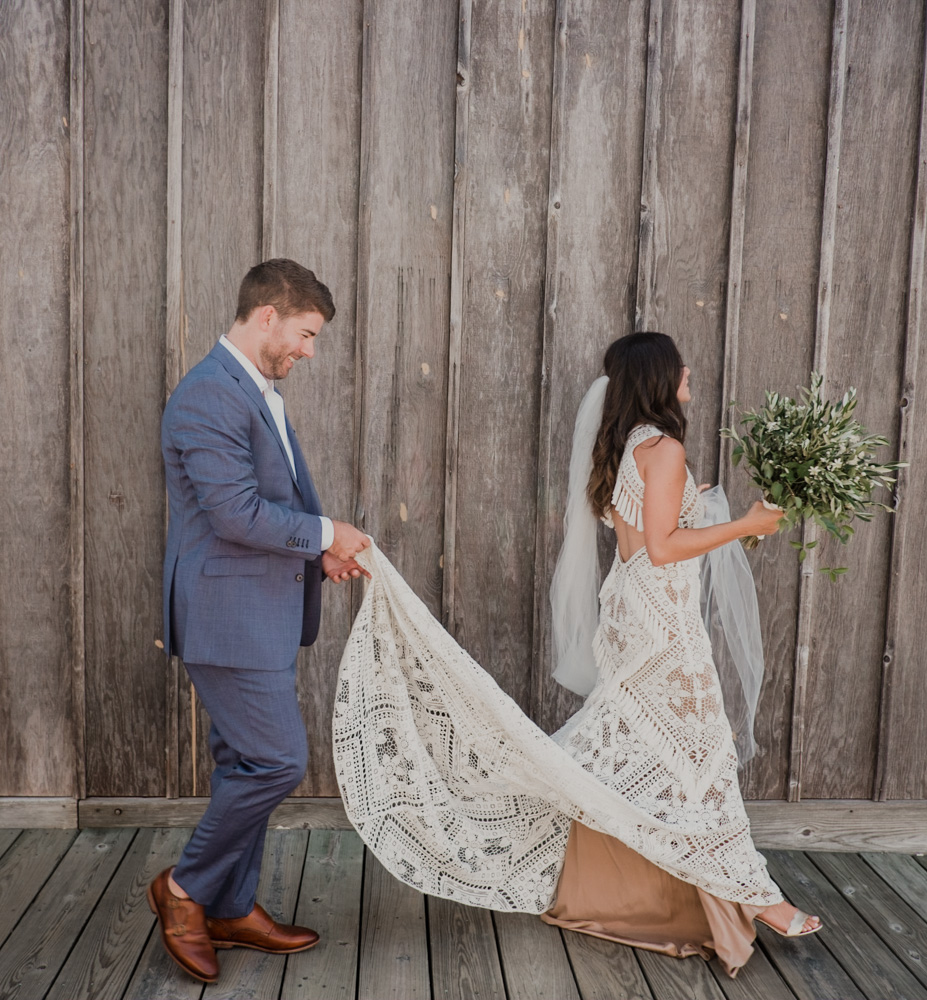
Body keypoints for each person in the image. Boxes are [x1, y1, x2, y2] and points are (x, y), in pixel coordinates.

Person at [331, 331, 820, 980]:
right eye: (680, 366)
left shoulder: (631, 445)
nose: (690, 372)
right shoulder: (665, 446)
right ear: (659, 376)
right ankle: (759, 899)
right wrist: (747, 525)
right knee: (700, 753)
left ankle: (713, 894)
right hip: (661, 624)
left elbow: (645, 531)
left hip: (630, 614)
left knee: (672, 752)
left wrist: (700, 505)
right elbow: (665, 547)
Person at [147, 258, 370, 986]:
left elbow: (266, 507)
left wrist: (318, 552)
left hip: (258, 613)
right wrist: (327, 533)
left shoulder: (256, 390)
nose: (310, 350)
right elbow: (236, 513)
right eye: (306, 333)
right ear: (267, 315)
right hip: (227, 617)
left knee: (245, 762)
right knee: (276, 761)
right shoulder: (209, 395)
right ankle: (184, 891)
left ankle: (231, 906)